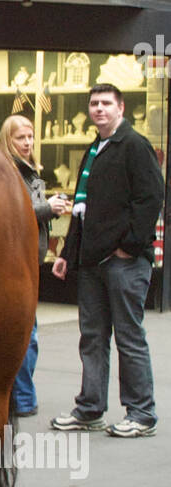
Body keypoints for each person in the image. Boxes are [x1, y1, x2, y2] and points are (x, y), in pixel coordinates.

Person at [50, 82, 164, 437]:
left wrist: (128, 247)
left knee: (129, 337)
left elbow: (151, 198)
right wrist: (68, 254)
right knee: (93, 337)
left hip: (125, 263)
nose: (99, 109)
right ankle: (89, 409)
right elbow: (82, 209)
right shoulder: (95, 149)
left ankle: (141, 414)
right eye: (94, 104)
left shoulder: (134, 145)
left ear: (121, 108)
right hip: (91, 264)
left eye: (106, 104)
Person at [0, 114, 69, 415]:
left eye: (30, 137)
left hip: (28, 261)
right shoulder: (7, 170)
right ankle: (22, 398)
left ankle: (20, 396)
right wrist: (48, 208)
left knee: (26, 332)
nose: (27, 144)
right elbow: (11, 213)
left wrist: (49, 208)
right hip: (14, 262)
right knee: (26, 333)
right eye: (20, 138)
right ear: (7, 140)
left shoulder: (30, 171)